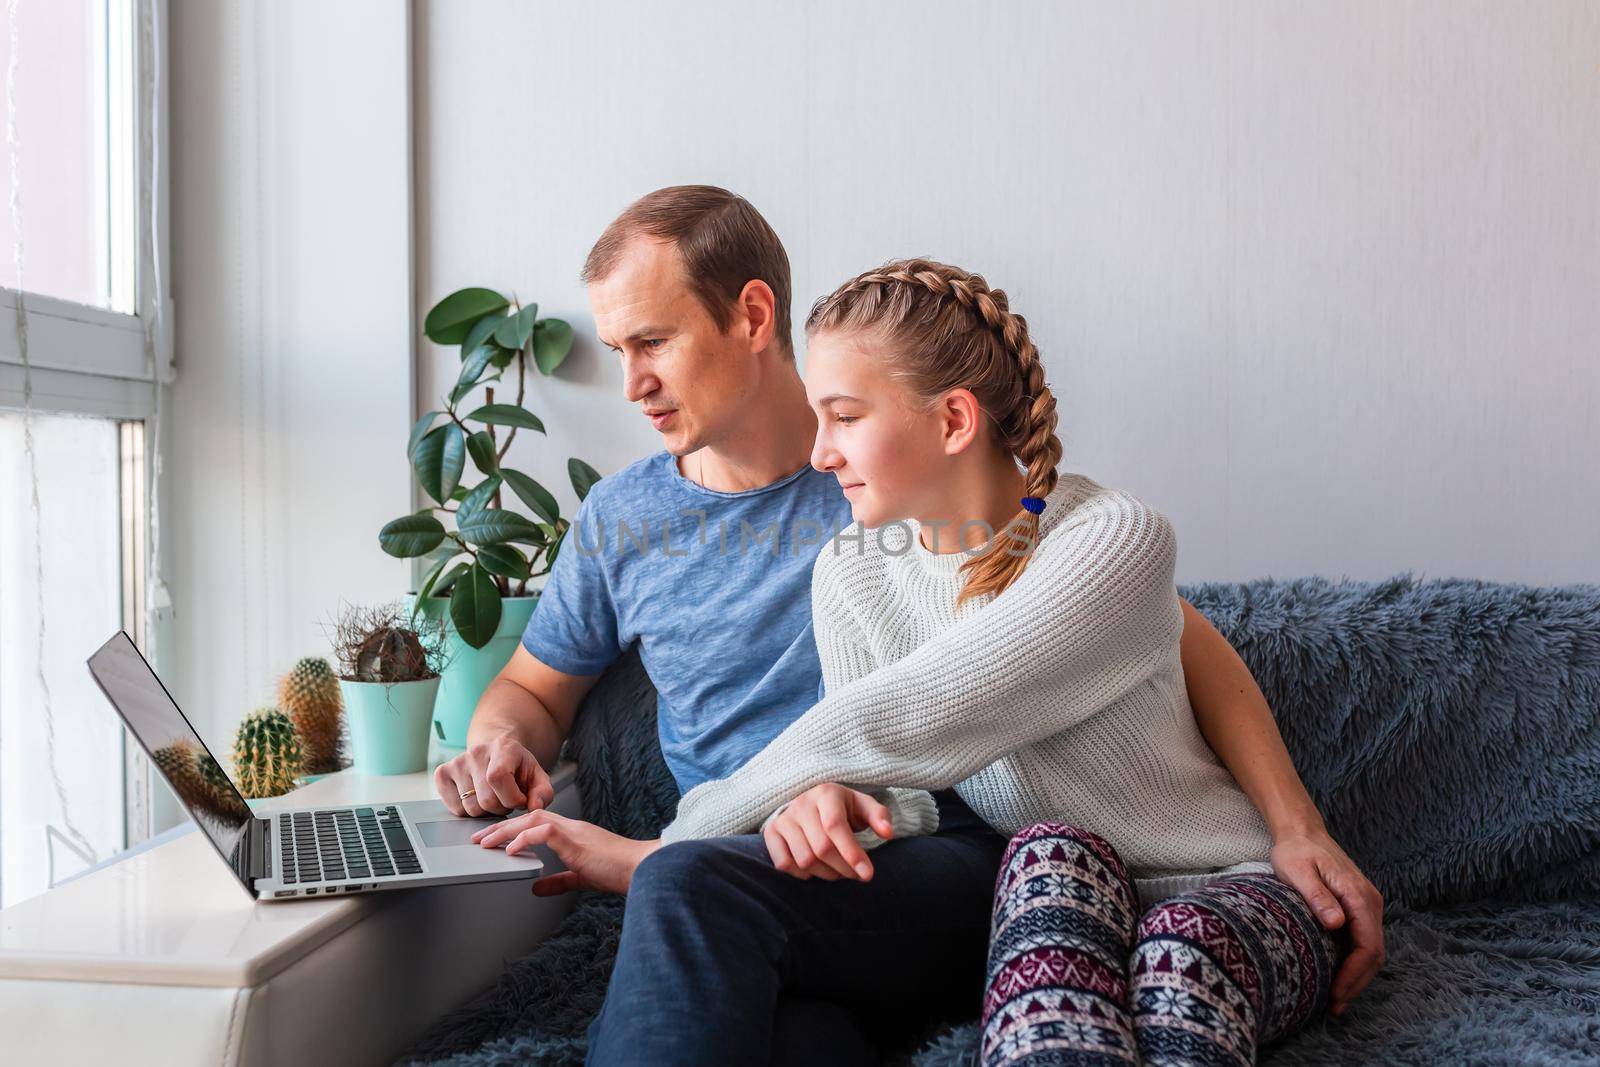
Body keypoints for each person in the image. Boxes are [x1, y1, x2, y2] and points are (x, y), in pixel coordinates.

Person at [436, 187, 1384, 1063]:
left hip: (1031, 865)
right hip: (912, 864)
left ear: (753, 318)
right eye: (618, 353)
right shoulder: (802, 552)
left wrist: (661, 849)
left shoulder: (1001, 511)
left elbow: (946, 704)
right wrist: (502, 750)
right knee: (825, 1017)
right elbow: (534, 690)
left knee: (694, 894)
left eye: (653, 341)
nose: (633, 382)